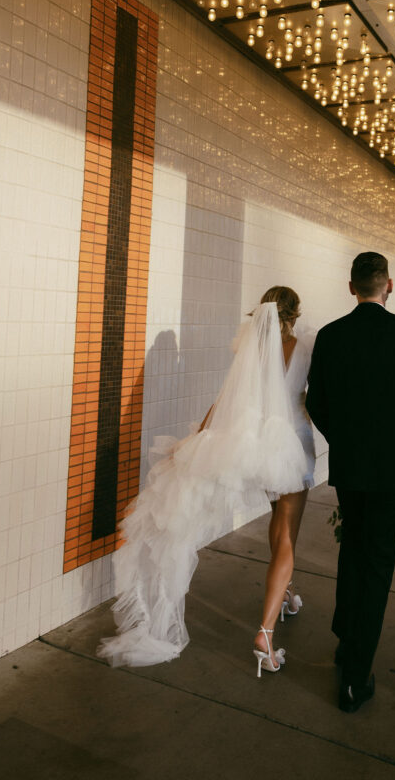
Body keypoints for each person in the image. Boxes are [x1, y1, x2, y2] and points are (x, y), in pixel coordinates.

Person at [97, 286, 315, 677]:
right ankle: (265, 632)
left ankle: (287, 594)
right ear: (293, 315)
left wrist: (200, 436)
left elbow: (227, 399)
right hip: (291, 445)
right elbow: (312, 397)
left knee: (275, 522)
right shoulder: (303, 349)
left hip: (253, 445)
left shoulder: (252, 349)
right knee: (286, 535)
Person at [306, 252, 395, 713]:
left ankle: (347, 641)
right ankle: (354, 679)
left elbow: (317, 402)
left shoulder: (331, 336)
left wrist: (342, 441)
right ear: (388, 286)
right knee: (376, 566)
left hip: (351, 469)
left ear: (352, 287)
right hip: (393, 471)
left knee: (353, 548)